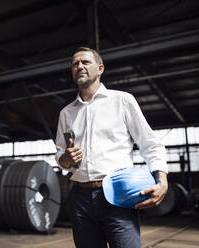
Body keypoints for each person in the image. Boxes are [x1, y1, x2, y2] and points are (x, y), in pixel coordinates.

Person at [55, 47, 168, 248]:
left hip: (118, 195)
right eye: (75, 64)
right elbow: (60, 157)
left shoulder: (122, 101)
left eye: (85, 62)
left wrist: (162, 181)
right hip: (80, 198)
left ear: (100, 69)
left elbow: (150, 143)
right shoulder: (66, 113)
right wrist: (66, 159)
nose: (79, 66)